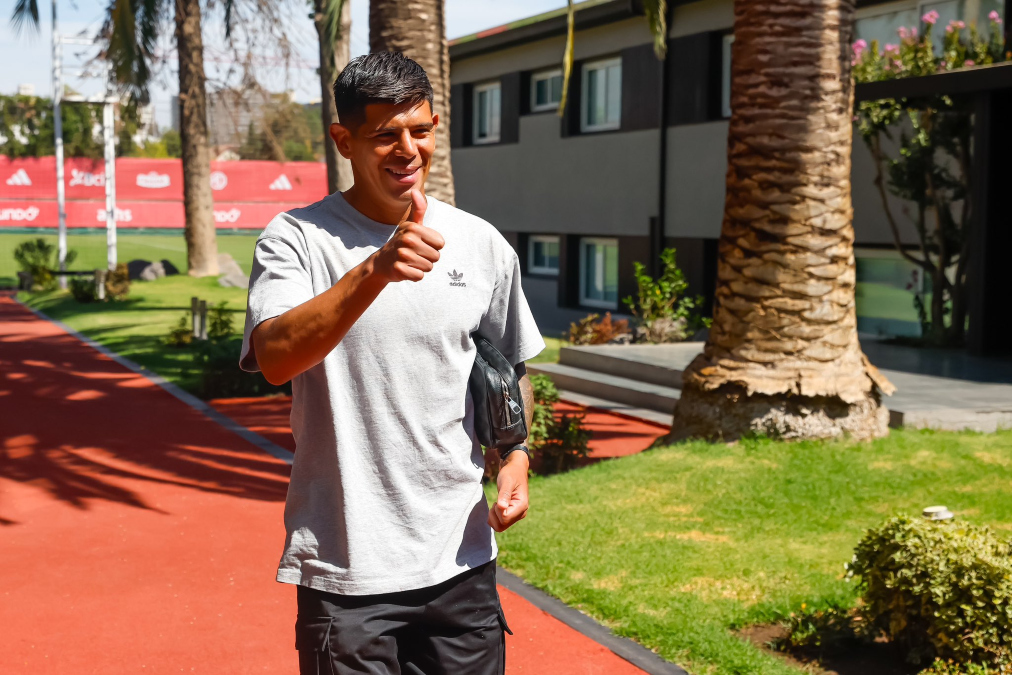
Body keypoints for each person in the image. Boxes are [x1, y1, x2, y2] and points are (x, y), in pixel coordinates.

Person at [239, 51, 544, 675]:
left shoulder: (481, 242)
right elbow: (273, 357)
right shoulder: (296, 239)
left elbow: (508, 366)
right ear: (344, 140)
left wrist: (515, 453)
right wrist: (376, 269)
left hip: (462, 564)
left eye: (422, 130)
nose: (408, 150)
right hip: (349, 573)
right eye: (385, 135)